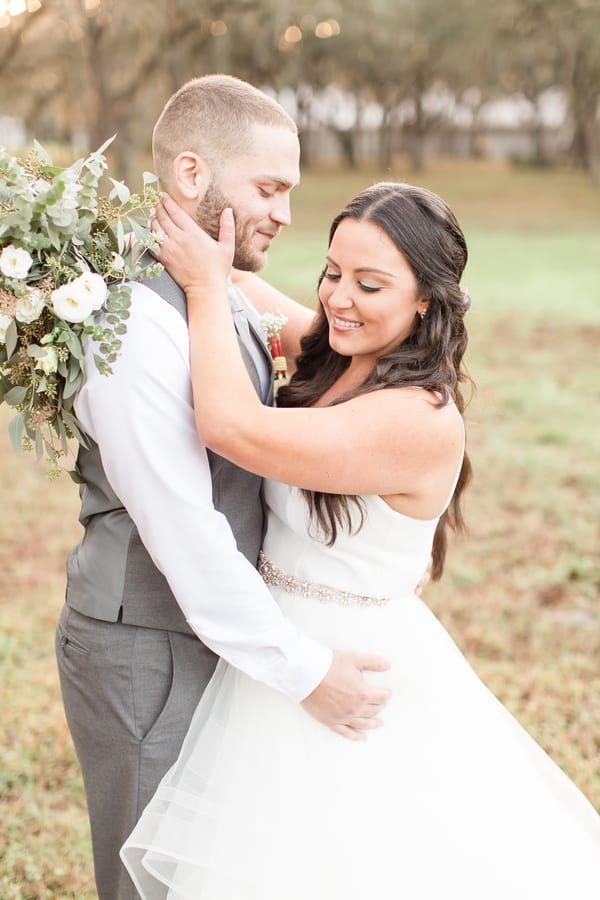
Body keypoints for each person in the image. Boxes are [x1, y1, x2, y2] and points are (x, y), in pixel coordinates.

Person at [121, 183, 600, 898]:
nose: (340, 297)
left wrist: (199, 289)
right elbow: (241, 280)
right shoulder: (340, 353)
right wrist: (164, 222)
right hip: (279, 652)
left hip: (350, 670)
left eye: (369, 284)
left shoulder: (417, 419)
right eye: (332, 271)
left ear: (426, 301)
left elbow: (227, 424)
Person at [55, 75, 390, 900]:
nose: (283, 212)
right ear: (193, 176)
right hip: (147, 653)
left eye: (289, 192)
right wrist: (308, 670)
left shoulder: (215, 286)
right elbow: (185, 536)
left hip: (210, 640)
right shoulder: (130, 322)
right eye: (269, 188)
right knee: (156, 886)